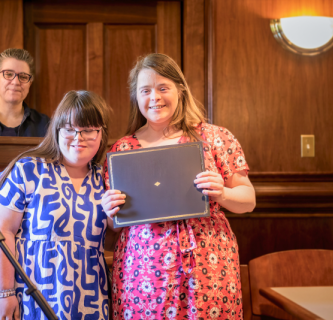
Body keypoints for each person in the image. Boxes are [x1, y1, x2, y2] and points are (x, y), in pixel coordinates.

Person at [101, 53, 256, 319]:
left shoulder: (215, 137)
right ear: (135, 97)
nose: (154, 97)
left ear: (180, 90)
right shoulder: (122, 150)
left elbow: (248, 200)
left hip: (208, 262)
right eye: (145, 90)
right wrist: (110, 211)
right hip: (144, 270)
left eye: (163, 88)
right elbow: (117, 225)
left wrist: (223, 192)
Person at [0, 90, 112, 320]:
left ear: (102, 133)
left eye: (88, 130)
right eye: (69, 129)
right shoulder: (28, 170)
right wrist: (4, 293)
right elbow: (2, 232)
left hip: (89, 297)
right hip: (30, 295)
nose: (78, 137)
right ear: (57, 130)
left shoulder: (105, 179)